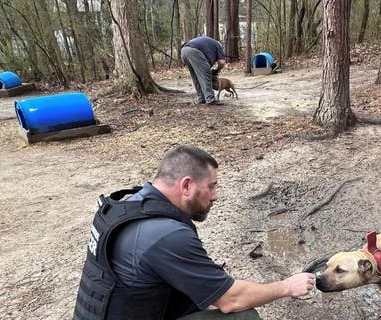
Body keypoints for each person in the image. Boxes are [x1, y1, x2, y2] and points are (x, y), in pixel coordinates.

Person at [73, 145, 315, 320]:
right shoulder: (164, 235)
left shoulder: (127, 204)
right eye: (211, 187)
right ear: (186, 185)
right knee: (243, 316)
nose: (215, 196)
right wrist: (287, 286)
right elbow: (231, 299)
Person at [181, 36, 226, 105]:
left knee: (196, 76)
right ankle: (210, 99)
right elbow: (222, 62)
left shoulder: (209, 43)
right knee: (206, 75)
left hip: (184, 51)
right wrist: (217, 70)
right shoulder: (218, 45)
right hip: (194, 51)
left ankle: (201, 98)